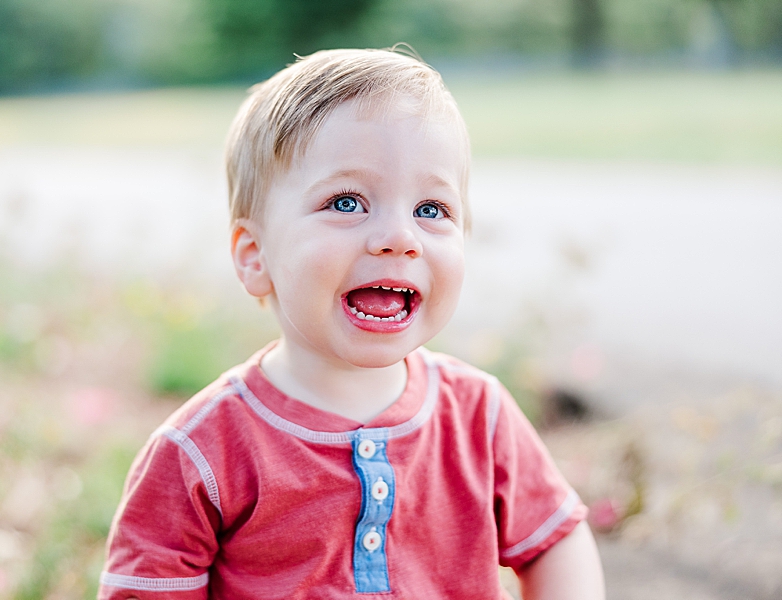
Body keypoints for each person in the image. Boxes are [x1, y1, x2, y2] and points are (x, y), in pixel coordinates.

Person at [97, 48, 605, 600]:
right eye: (346, 201)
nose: (398, 236)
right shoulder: (200, 452)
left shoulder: (477, 417)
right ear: (254, 254)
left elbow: (557, 541)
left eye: (431, 209)